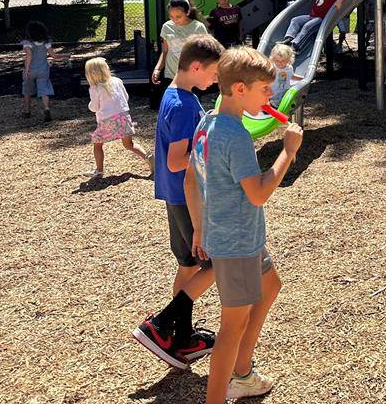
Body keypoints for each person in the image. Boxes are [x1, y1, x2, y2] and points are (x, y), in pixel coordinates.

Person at [187, 47, 303, 403]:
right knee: (231, 327)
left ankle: (243, 372)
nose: (270, 96)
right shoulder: (235, 135)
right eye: (265, 90)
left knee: (270, 286)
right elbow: (258, 193)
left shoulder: (207, 121)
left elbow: (191, 178)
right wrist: (288, 152)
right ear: (240, 89)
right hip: (236, 242)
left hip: (238, 236)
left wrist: (200, 228)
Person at [133, 33, 224, 370]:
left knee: (187, 264)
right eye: (214, 73)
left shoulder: (174, 94)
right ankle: (160, 325)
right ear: (196, 67)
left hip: (176, 195)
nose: (216, 80)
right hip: (187, 197)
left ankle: (182, 337)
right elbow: (175, 162)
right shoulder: (184, 105)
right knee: (216, 264)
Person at [85, 57, 152, 178]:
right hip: (123, 117)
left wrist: (90, 106)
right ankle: (148, 157)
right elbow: (125, 97)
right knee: (129, 144)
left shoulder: (95, 88)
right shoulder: (117, 81)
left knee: (97, 144)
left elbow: (95, 107)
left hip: (107, 121)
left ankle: (99, 170)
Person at [151, 0, 209, 107]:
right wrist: (157, 69)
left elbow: (205, 53)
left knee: (191, 107)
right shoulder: (166, 27)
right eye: (171, 16)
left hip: (191, 76)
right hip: (171, 75)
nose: (174, 20)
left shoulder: (198, 27)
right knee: (172, 106)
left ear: (187, 12)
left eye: (178, 16)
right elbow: (165, 51)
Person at [282, 0, 347, 51]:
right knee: (295, 20)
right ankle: (289, 38)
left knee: (307, 26)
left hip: (321, 19)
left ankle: (295, 45)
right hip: (312, 16)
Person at [20, 20, 67, 121]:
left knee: (27, 90)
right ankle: (46, 108)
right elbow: (54, 56)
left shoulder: (27, 43)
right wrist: (65, 55)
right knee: (44, 89)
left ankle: (27, 111)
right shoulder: (46, 43)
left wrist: (27, 69)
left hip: (30, 71)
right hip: (43, 70)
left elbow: (29, 55)